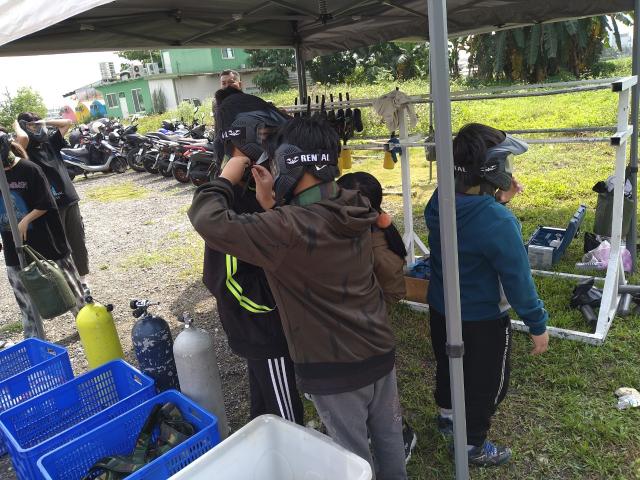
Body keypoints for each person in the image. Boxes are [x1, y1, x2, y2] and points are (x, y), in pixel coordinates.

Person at [189, 105, 408, 479]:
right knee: (389, 441)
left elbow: (208, 219)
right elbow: (312, 223)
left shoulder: (286, 229)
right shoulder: (354, 203)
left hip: (335, 370)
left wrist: (229, 171)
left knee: (351, 462)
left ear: (291, 162)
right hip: (379, 350)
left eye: (276, 162)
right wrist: (273, 205)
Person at [424, 123, 549, 467]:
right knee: (487, 384)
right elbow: (518, 280)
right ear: (494, 170)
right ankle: (471, 446)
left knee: (449, 365)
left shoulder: (439, 201)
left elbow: (467, 221)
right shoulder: (498, 221)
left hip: (441, 309)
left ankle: (448, 416)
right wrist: (537, 323)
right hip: (483, 321)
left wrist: (497, 200)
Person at [201, 90, 304, 426]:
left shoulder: (252, 184)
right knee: (288, 417)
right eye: (261, 135)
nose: (268, 145)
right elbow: (225, 278)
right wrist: (273, 307)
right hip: (263, 327)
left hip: (262, 324)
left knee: (265, 406)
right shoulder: (230, 199)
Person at [337, 171, 417, 464]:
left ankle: (399, 435)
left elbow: (394, 291)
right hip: (356, 325)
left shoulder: (376, 245)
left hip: (368, 326)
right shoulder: (361, 232)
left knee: (375, 391)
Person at [0, 130, 84, 338]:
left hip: (48, 242)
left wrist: (25, 220)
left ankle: (88, 324)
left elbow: (46, 202)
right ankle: (34, 341)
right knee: (25, 301)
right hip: (14, 247)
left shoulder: (29, 169)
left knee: (72, 289)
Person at [14, 113, 90, 286]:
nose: (36, 128)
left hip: (69, 199)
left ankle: (83, 280)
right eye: (31, 125)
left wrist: (44, 121)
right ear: (24, 127)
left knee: (77, 240)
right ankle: (66, 282)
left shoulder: (49, 142)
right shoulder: (23, 149)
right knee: (59, 246)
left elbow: (67, 123)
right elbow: (22, 138)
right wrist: (16, 124)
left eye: (37, 124)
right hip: (48, 205)